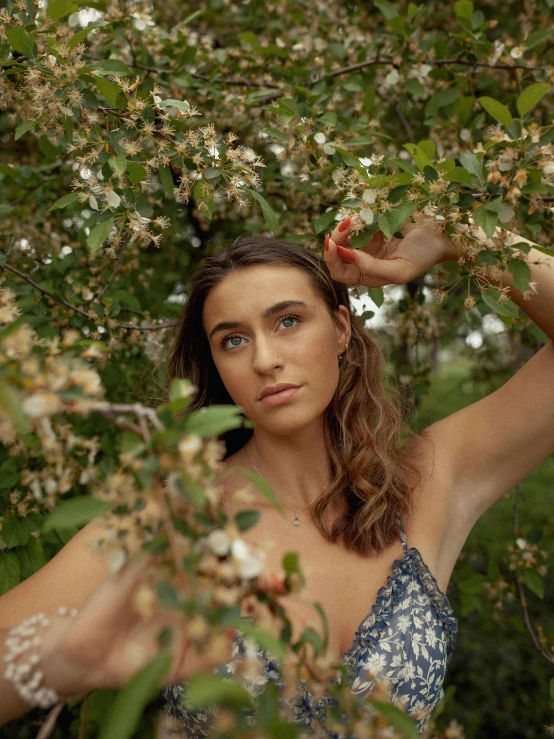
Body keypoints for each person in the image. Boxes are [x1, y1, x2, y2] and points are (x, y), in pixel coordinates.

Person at [0, 217, 553, 737]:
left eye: (288, 321)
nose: (265, 359)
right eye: (233, 340)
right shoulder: (175, 521)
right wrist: (64, 663)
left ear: (340, 330)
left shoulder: (427, 481)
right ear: (216, 366)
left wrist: (454, 236)